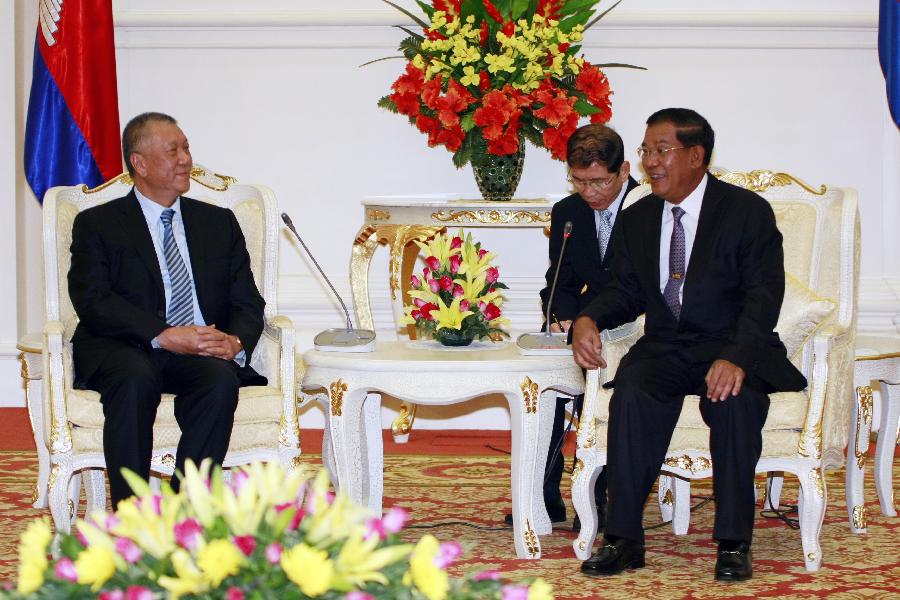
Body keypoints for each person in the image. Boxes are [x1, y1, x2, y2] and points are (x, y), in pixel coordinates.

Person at [572, 108, 806, 581]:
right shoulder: (637, 217)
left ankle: (734, 543)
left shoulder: (746, 212)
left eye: (662, 150)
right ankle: (623, 539)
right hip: (664, 346)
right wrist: (588, 317)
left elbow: (764, 295)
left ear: (696, 156)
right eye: (646, 151)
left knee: (736, 403)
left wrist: (736, 357)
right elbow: (626, 289)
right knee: (633, 394)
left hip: (729, 344)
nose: (650, 162)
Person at [68, 112, 267, 508]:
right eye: (173, 150)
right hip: (124, 345)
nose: (185, 159)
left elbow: (247, 300)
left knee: (219, 381)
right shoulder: (97, 223)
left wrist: (234, 341)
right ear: (138, 163)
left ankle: (184, 506)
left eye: (186, 147)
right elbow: (93, 301)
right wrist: (162, 334)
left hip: (196, 349)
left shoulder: (218, 223)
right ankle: (134, 514)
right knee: (134, 378)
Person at [504, 124, 638, 531]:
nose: (589, 192)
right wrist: (559, 316)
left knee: (596, 388)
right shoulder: (568, 211)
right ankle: (543, 499)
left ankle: (595, 500)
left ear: (624, 170)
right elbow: (558, 281)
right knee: (543, 384)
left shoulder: (647, 206)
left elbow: (638, 287)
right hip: (582, 320)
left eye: (599, 181)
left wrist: (588, 322)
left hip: (633, 323)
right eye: (579, 181)